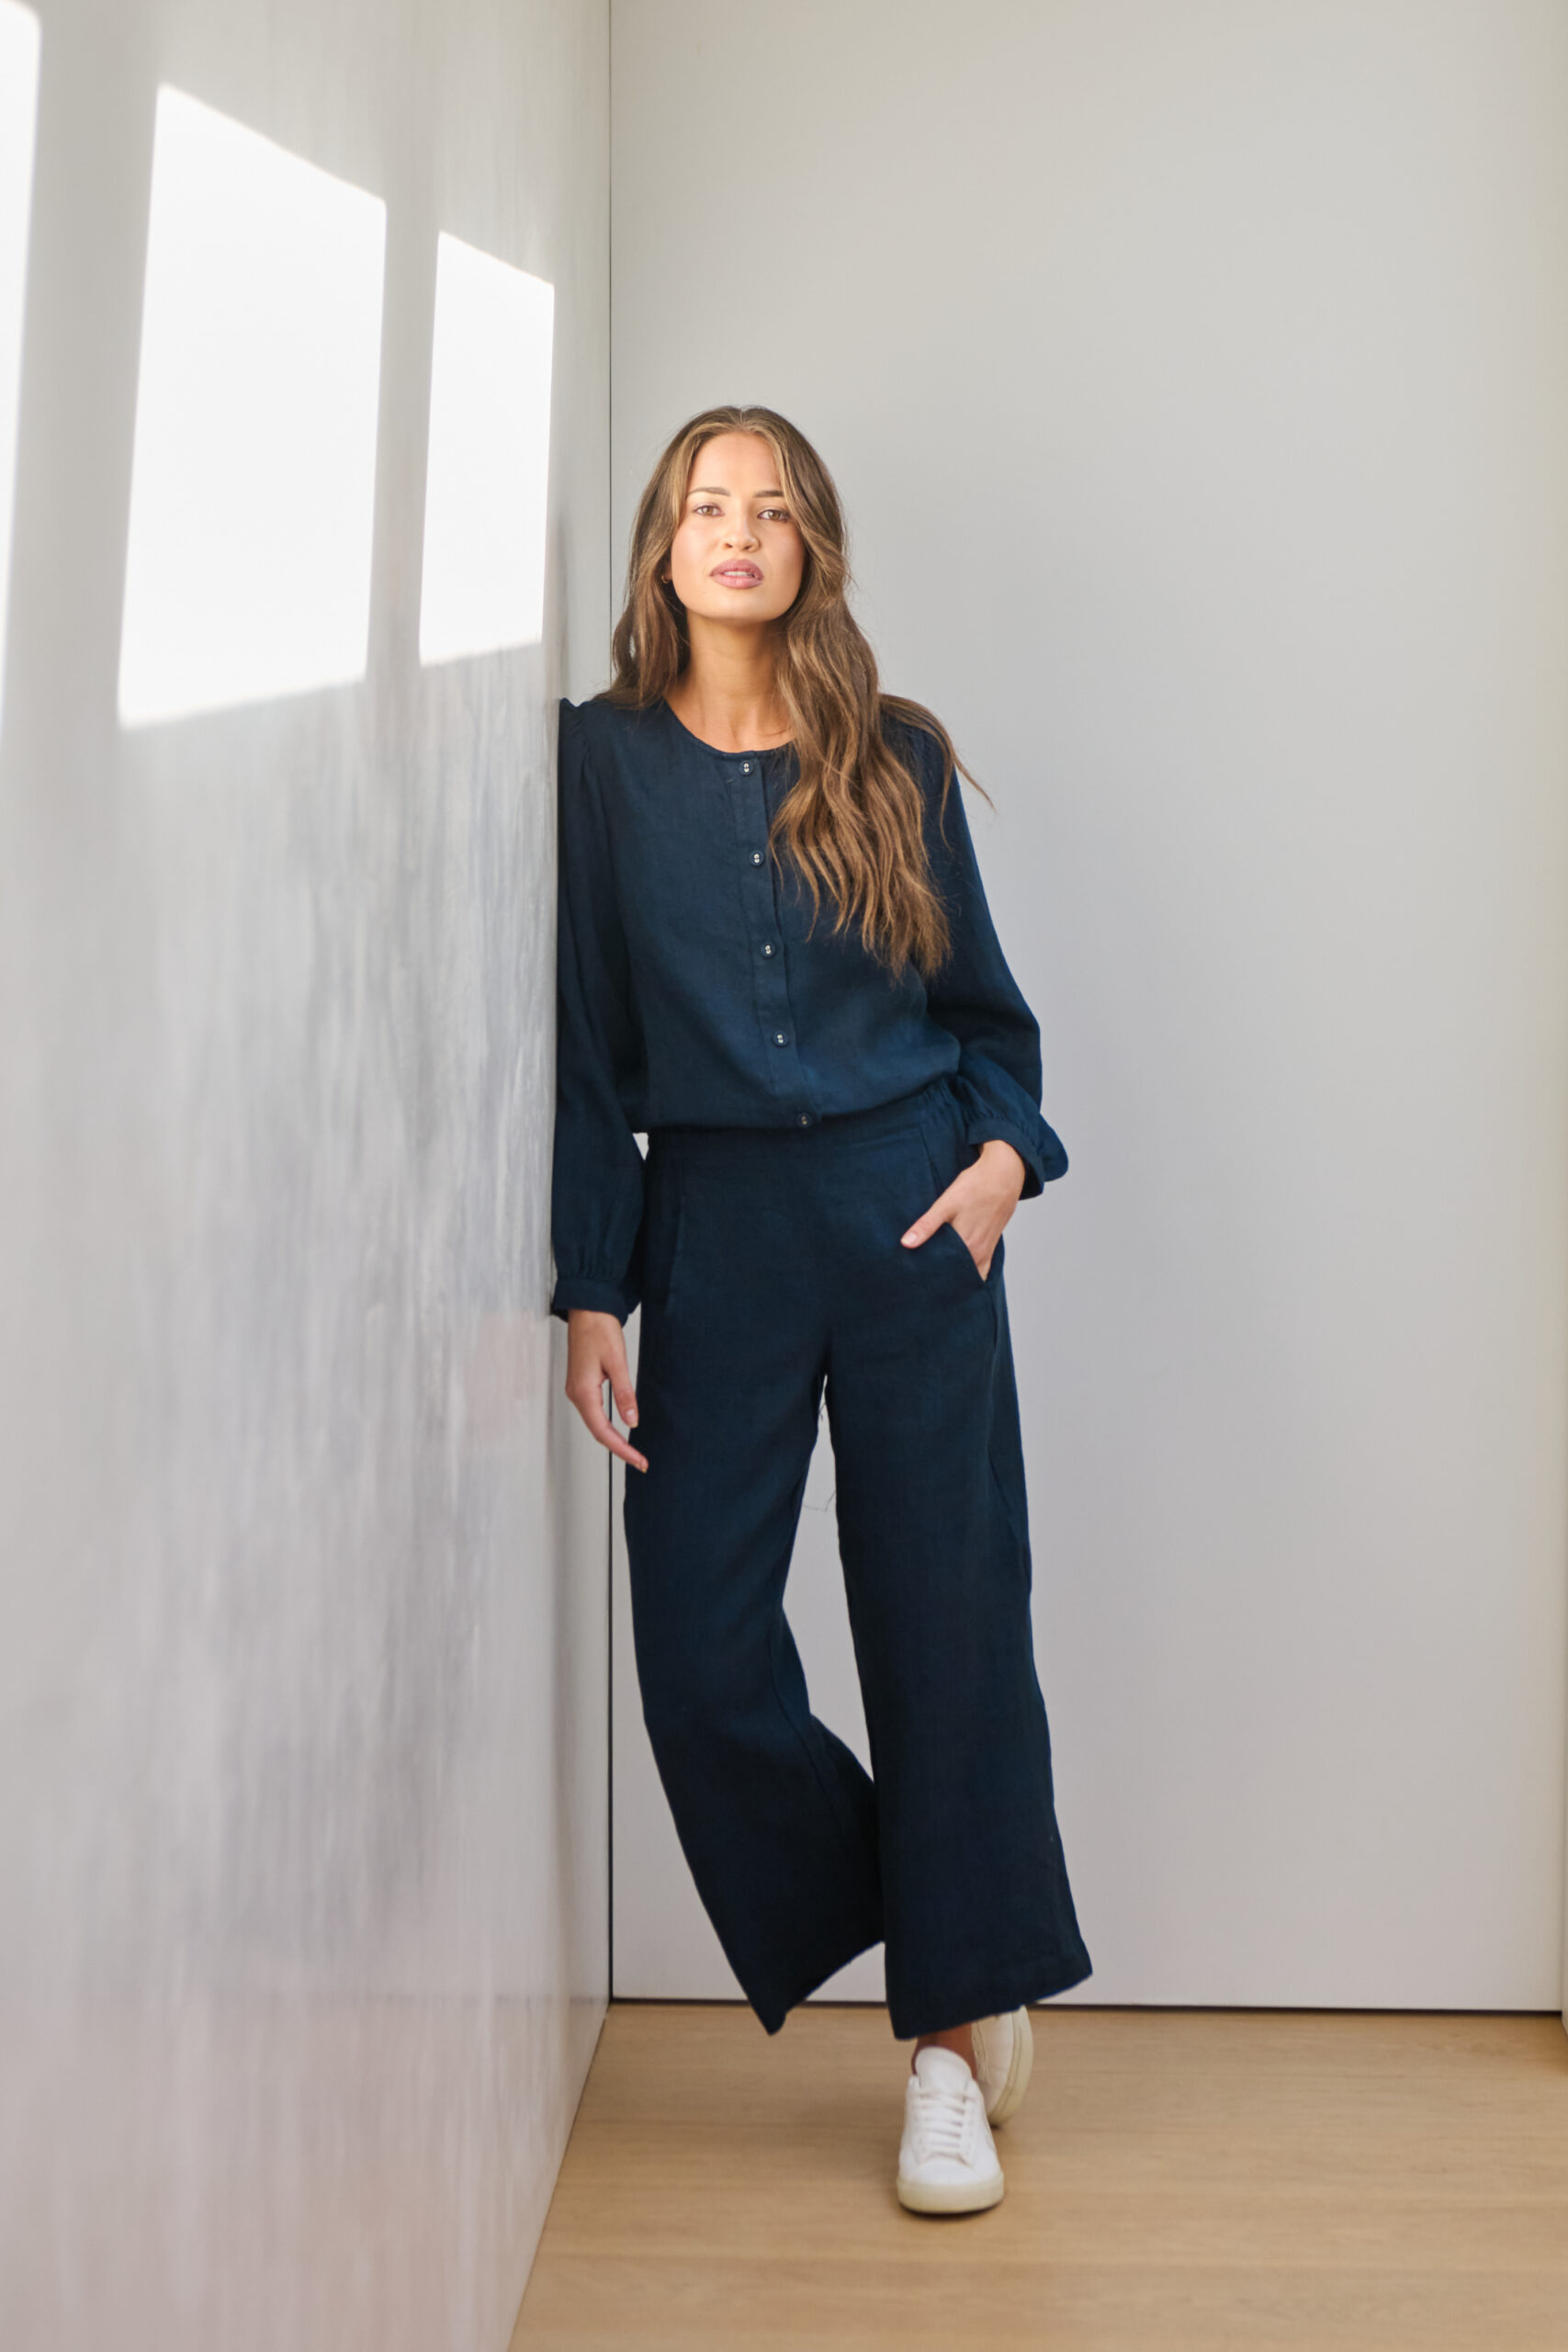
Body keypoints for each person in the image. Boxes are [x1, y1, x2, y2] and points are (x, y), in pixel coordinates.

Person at [550, 403, 1090, 2214]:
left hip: (909, 1207)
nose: (738, 530)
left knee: (946, 1626)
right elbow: (582, 1053)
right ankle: (963, 1933)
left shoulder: (894, 754)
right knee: (702, 1657)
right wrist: (592, 1286)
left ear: (809, 548)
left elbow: (990, 1023)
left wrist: (997, 1169)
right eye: (708, 503)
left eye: (772, 508)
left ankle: (943, 2048)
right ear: (663, 543)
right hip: (711, 1223)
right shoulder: (596, 764)